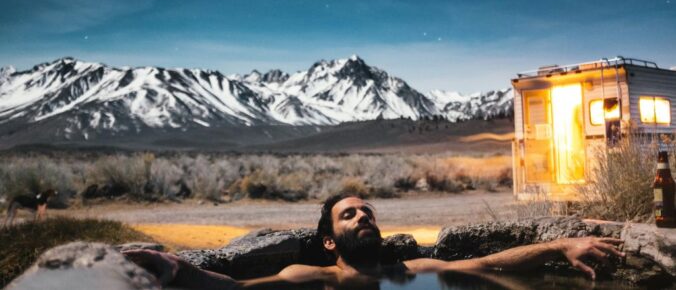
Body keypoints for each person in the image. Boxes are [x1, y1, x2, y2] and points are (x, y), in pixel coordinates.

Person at [124, 193, 625, 289]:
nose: (363, 215)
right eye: (349, 214)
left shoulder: (411, 274)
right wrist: (179, 269)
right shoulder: (308, 277)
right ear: (328, 241)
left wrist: (560, 247)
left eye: (368, 211)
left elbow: (493, 263)